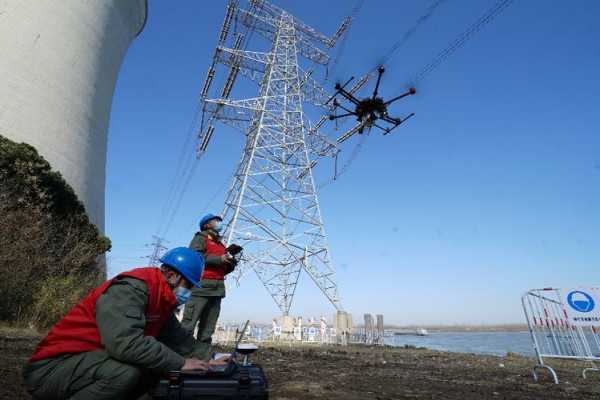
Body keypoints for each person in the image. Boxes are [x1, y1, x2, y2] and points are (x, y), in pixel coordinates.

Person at [23, 247, 221, 400]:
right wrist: (181, 362)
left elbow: (179, 340)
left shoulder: (161, 300)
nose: (189, 294)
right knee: (125, 373)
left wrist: (212, 357)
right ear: (171, 276)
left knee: (155, 368)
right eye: (188, 286)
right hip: (51, 370)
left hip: (88, 363)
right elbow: (125, 343)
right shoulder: (130, 290)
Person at [182, 213, 236, 358]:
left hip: (217, 290)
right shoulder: (200, 238)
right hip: (200, 288)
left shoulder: (221, 244)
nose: (219, 222)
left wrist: (231, 263)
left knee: (208, 328)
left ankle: (202, 357)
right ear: (206, 225)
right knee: (189, 325)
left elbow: (223, 267)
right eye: (216, 220)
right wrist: (219, 259)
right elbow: (196, 257)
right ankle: (181, 356)